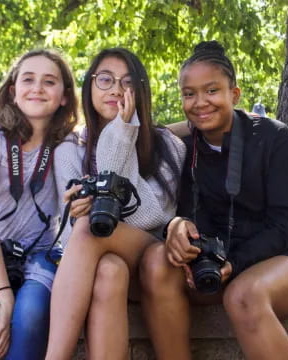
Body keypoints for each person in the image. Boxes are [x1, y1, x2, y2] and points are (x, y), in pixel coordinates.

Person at [139, 40, 288, 360]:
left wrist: (235, 263)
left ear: (235, 94)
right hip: (216, 262)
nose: (200, 102)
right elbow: (183, 206)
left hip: (287, 258)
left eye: (212, 91)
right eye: (189, 94)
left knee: (244, 295)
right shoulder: (185, 146)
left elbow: (286, 225)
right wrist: (176, 225)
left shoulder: (274, 136)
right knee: (154, 261)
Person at [45, 48, 186, 360]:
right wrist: (80, 211)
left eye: (127, 82)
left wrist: (123, 133)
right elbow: (69, 238)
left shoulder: (168, 145)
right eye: (105, 79)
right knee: (108, 268)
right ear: (90, 86)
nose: (116, 90)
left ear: (141, 91)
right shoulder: (69, 149)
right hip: (99, 267)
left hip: (153, 258)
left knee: (89, 229)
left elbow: (152, 215)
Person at [0, 49, 78, 360]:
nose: (37, 88)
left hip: (41, 255)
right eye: (28, 79)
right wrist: (3, 294)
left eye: (49, 81)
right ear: (13, 91)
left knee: (32, 313)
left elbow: (132, 132)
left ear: (64, 96)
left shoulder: (68, 144)